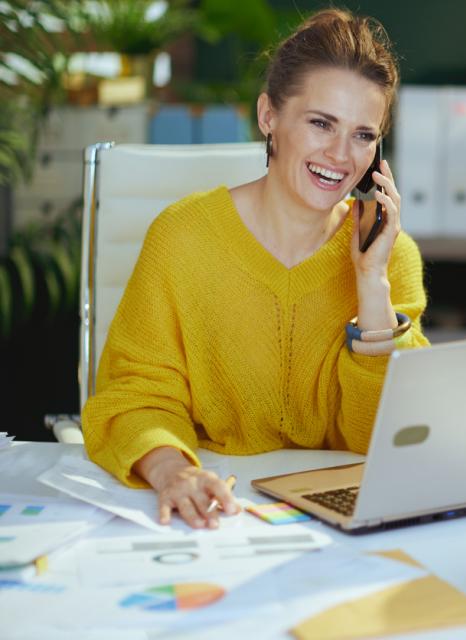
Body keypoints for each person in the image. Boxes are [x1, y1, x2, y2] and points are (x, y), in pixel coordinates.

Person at [82, 9, 429, 530]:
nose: (340, 155)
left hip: (341, 525)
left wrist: (371, 284)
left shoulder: (388, 254)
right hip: (211, 511)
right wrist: (174, 471)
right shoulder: (181, 237)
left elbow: (392, 436)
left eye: (363, 135)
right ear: (269, 115)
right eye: (320, 123)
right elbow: (133, 396)